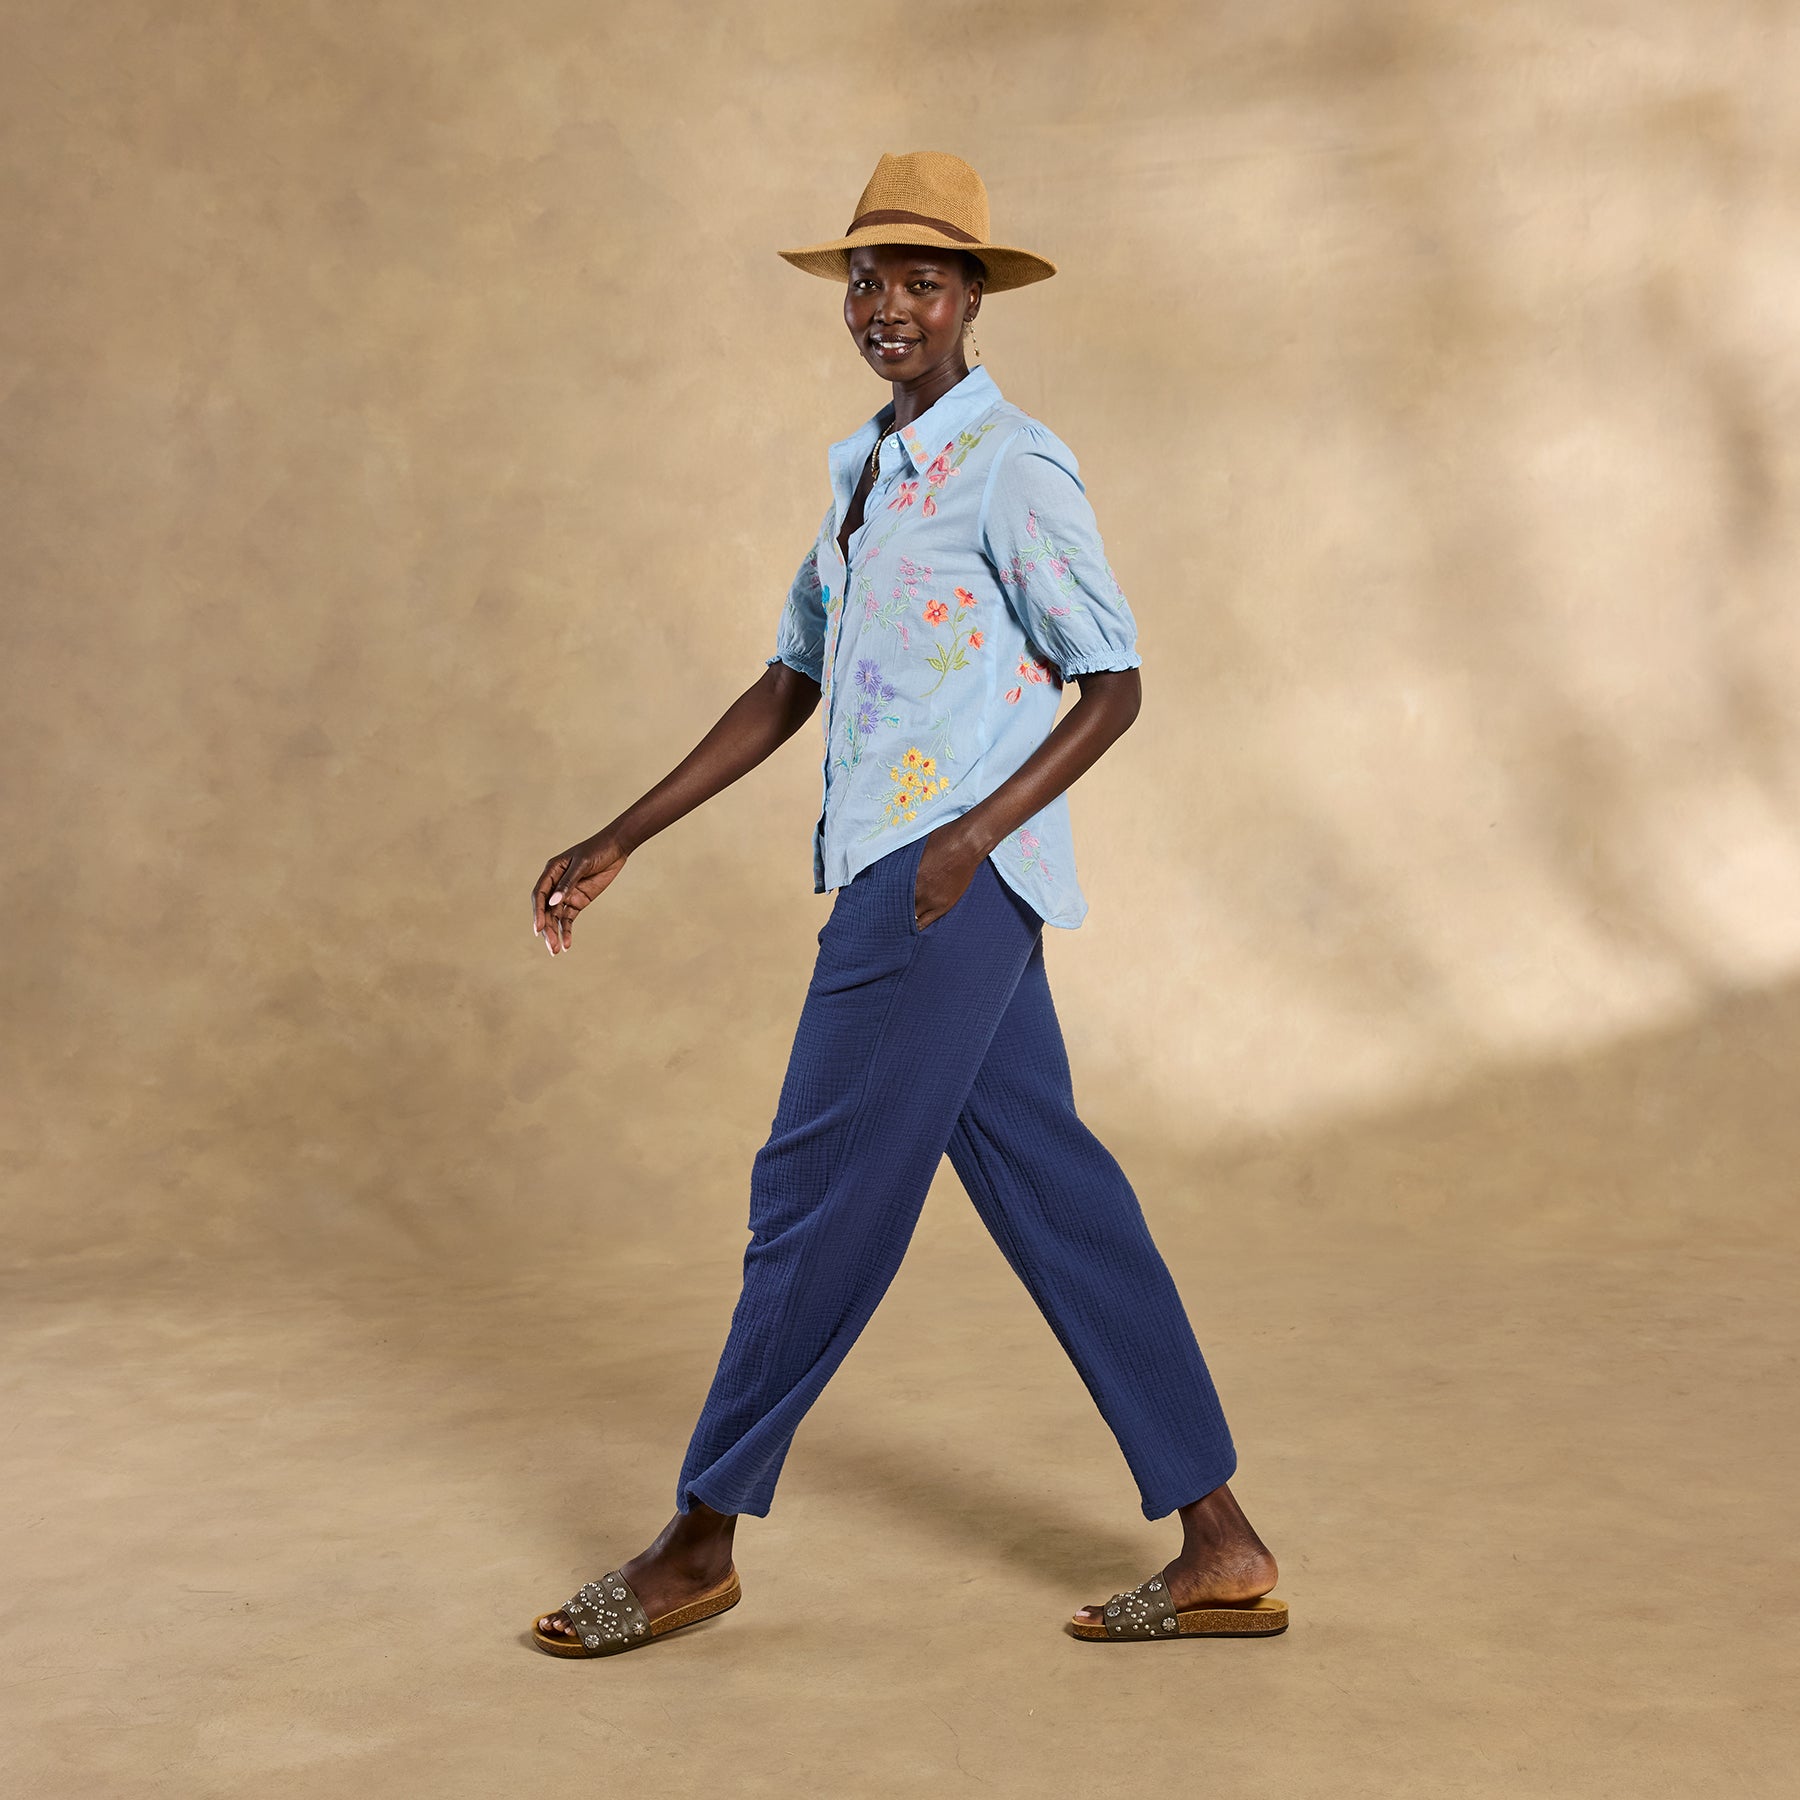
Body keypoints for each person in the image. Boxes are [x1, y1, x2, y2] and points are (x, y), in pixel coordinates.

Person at [527, 151, 1285, 1656]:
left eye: (921, 282)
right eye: (867, 280)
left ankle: (697, 1540)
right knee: (1060, 1199)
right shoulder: (867, 473)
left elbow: (1115, 682)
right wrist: (628, 832)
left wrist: (969, 839)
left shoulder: (1014, 465)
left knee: (811, 1198)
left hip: (941, 884)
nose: (887, 305)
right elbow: (790, 680)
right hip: (926, 876)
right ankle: (1224, 1543)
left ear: (972, 299)